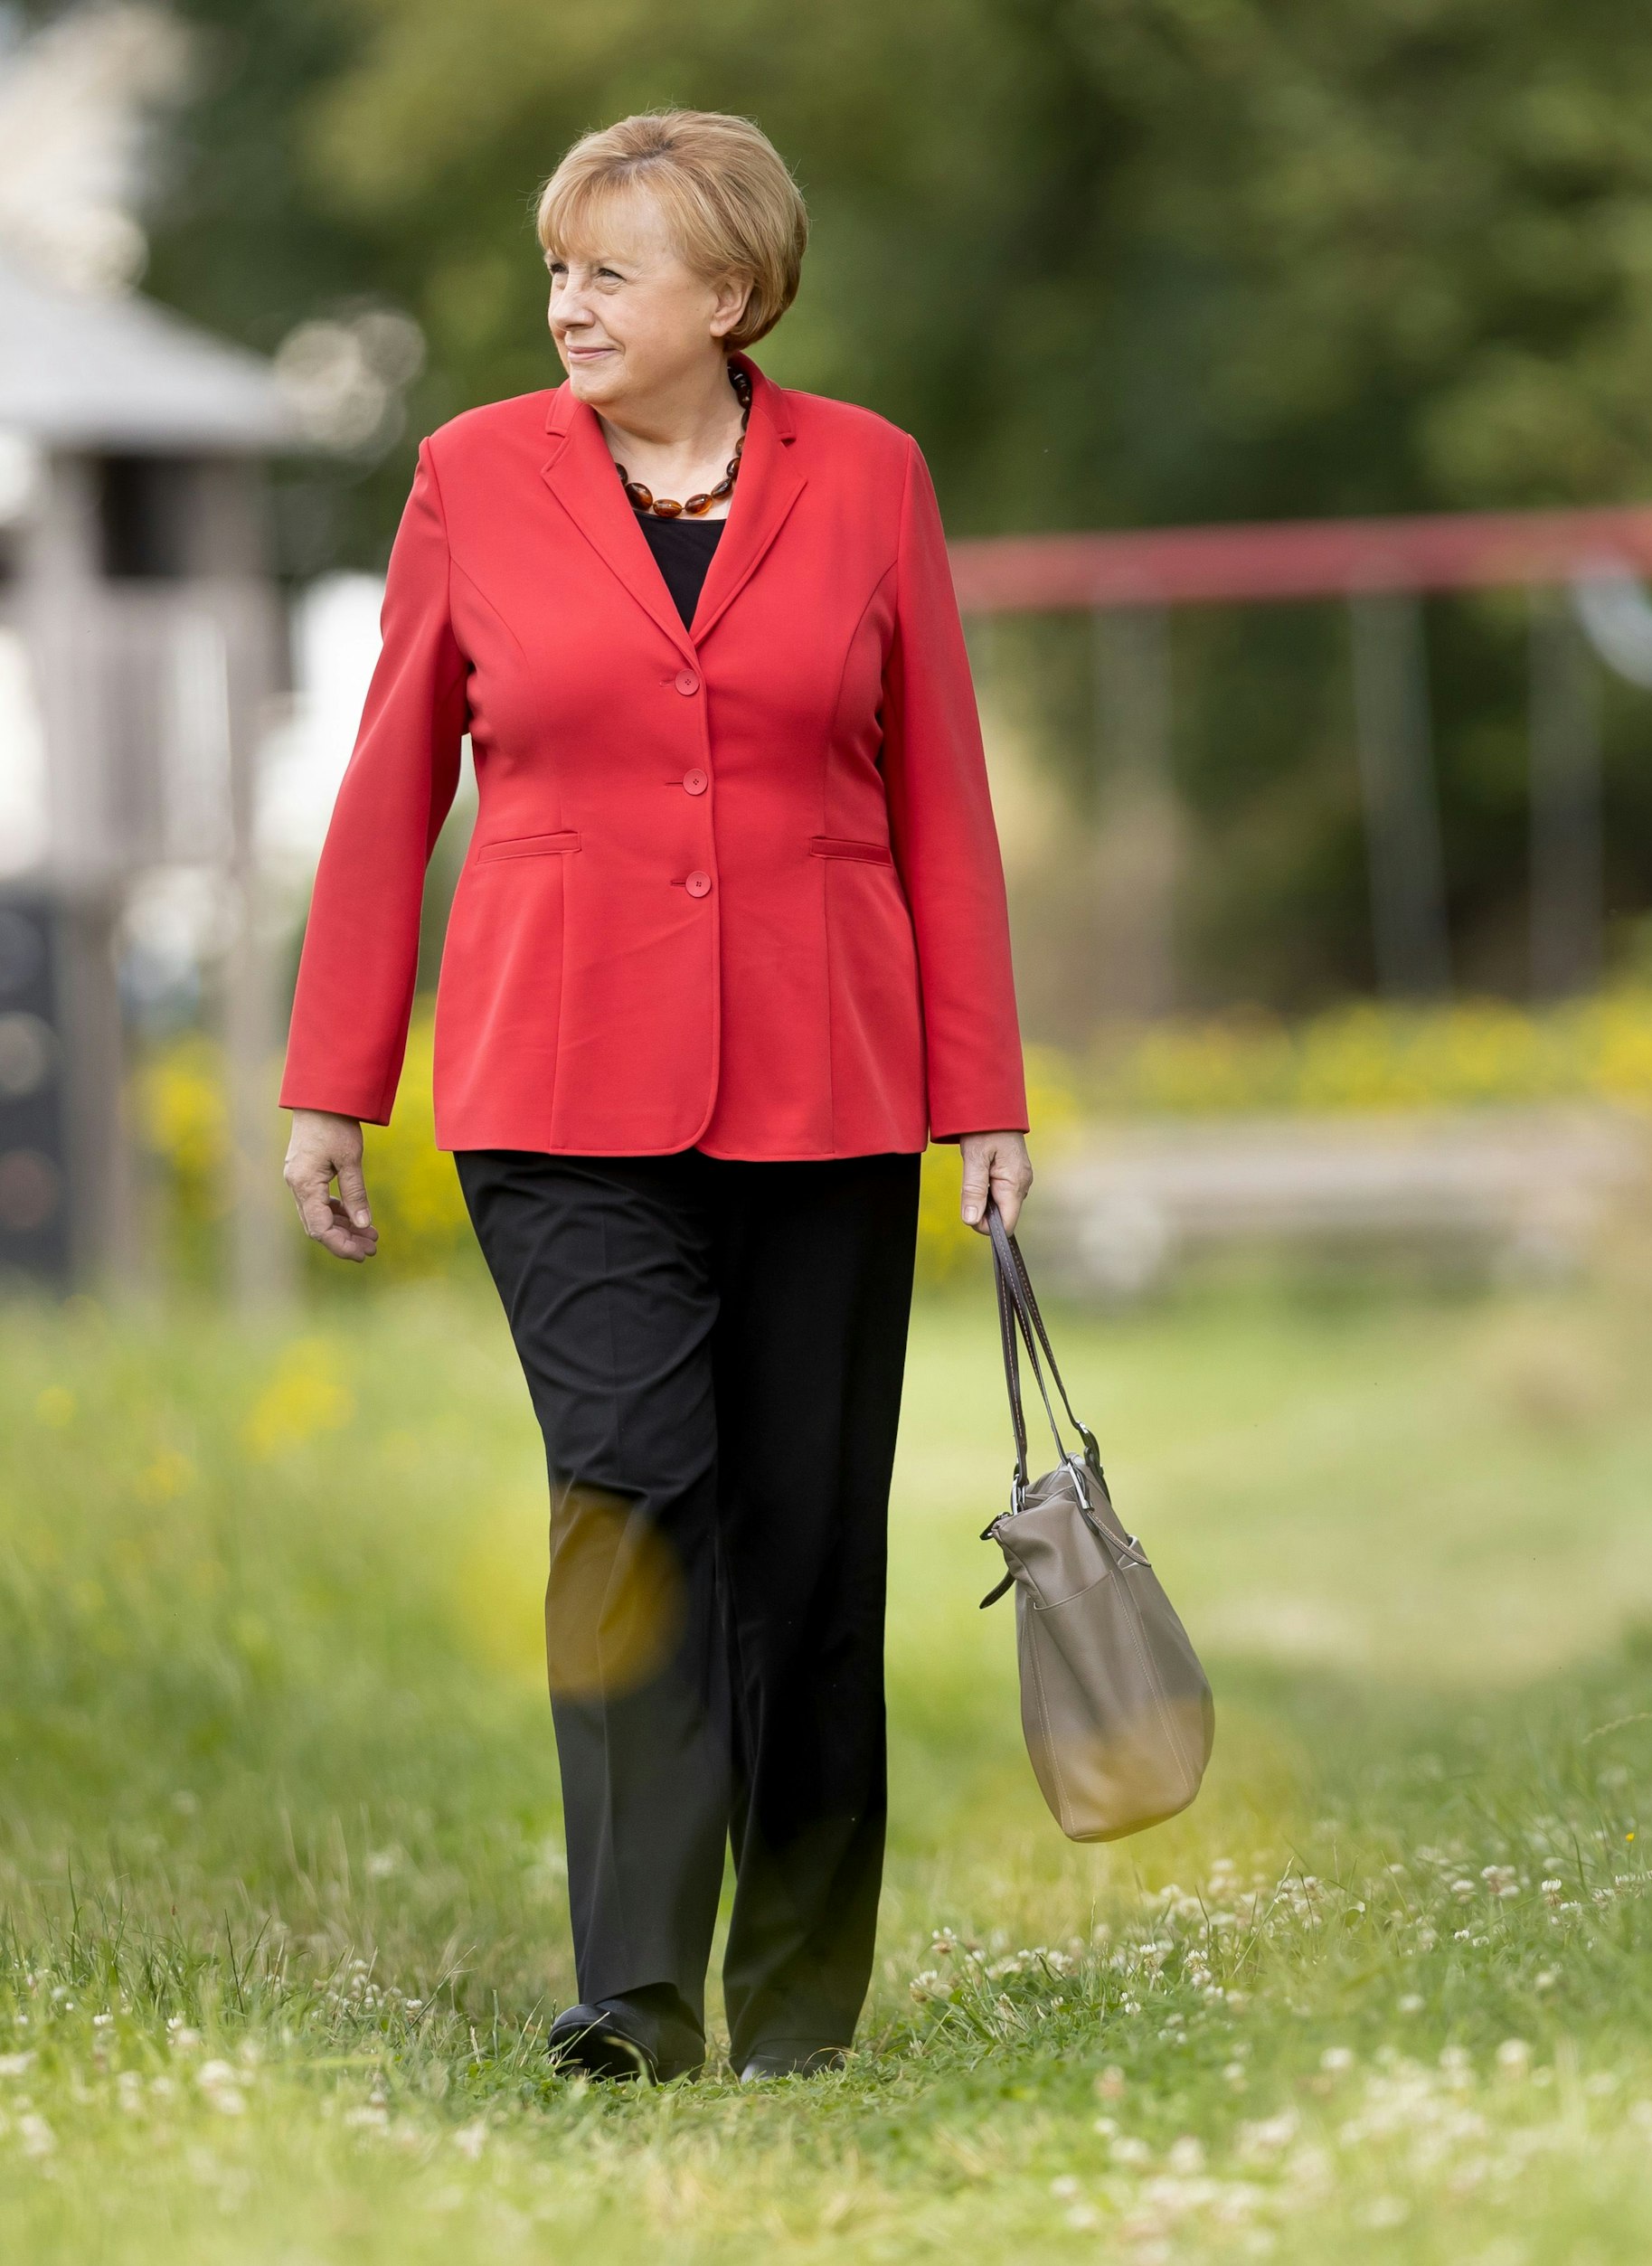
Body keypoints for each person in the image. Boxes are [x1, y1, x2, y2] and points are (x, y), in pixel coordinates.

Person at [279, 109, 1030, 2085]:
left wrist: (984, 1097)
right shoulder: (468, 475)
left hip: (830, 1083)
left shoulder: (868, 479)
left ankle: (794, 2004)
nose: (569, 303)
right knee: (627, 1501)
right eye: (560, 268)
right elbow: (386, 790)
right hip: (555, 1087)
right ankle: (631, 1991)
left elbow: (937, 793)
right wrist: (330, 1079)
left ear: (730, 292)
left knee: (803, 1543)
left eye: (612, 271)